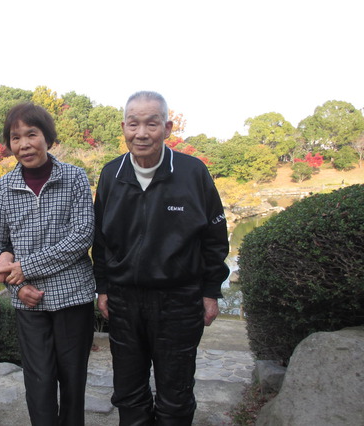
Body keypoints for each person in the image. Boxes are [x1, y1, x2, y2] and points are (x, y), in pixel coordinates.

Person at [93, 91, 230, 425]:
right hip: (125, 300)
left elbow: (214, 238)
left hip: (179, 300)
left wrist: (211, 291)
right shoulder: (112, 174)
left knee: (175, 392)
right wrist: (103, 288)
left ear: (167, 127)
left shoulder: (192, 172)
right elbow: (101, 238)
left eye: (151, 124)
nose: (142, 133)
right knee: (128, 390)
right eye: (134, 124)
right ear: (124, 127)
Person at [0, 102, 96, 426]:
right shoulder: (5, 186)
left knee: (73, 380)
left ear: (48, 137)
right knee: (39, 382)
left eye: (31, 134)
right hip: (28, 302)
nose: (24, 144)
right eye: (16, 138)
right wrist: (15, 285)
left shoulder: (74, 177)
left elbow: (82, 237)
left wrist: (25, 268)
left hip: (73, 298)